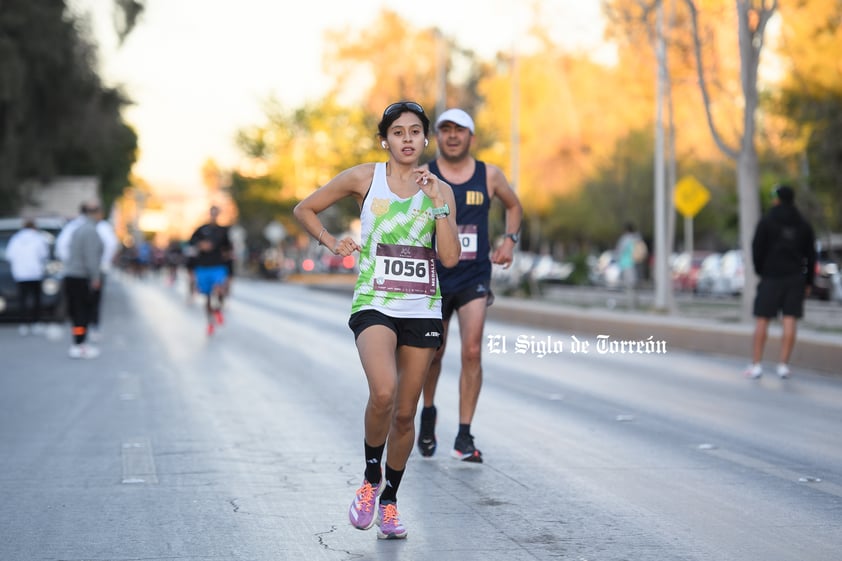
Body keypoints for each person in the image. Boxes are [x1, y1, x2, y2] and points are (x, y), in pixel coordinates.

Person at [293, 101, 460, 540]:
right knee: (383, 392)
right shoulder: (365, 178)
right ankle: (370, 480)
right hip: (375, 303)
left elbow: (449, 257)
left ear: (426, 140)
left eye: (415, 132)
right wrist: (332, 242)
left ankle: (389, 501)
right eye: (398, 132)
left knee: (405, 414)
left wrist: (439, 205)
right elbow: (304, 209)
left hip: (422, 307)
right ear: (385, 139)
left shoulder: (439, 189)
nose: (407, 139)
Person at [416, 108, 522, 463]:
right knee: (434, 352)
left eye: (459, 130)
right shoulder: (424, 173)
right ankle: (427, 413)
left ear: (470, 136)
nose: (451, 136)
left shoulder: (488, 174)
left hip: (474, 274)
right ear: (438, 137)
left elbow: (514, 205)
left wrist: (509, 240)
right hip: (434, 274)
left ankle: (463, 435)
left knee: (472, 351)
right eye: (445, 129)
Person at [744, 184, 816, 379]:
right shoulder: (803, 224)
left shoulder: (767, 221)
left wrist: (761, 271)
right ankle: (783, 365)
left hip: (771, 277)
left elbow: (756, 248)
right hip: (795, 278)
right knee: (790, 319)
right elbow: (811, 255)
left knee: (762, 319)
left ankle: (756, 364)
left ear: (778, 198)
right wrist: (809, 281)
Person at [63, 204, 104, 359]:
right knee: (82, 313)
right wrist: (96, 278)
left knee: (76, 313)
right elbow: (91, 257)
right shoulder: (90, 231)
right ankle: (79, 345)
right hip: (82, 277)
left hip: (72, 276)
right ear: (96, 213)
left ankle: (78, 343)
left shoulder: (78, 228)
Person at [188, 206, 232, 335]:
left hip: (217, 266)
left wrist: (227, 257)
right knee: (207, 298)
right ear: (209, 214)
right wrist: (200, 245)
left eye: (216, 213)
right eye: (212, 213)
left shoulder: (222, 231)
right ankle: (210, 322)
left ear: (218, 214)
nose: (214, 215)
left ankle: (218, 309)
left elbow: (228, 248)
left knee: (219, 290)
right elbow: (191, 244)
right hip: (202, 267)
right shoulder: (201, 229)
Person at [5, 218, 50, 335]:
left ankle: (24, 323)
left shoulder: (16, 239)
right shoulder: (38, 238)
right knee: (36, 299)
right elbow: (44, 254)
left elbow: (9, 255)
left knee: (23, 300)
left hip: (20, 273)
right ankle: (36, 322)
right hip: (35, 272)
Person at [88, 206, 120, 341]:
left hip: (84, 270)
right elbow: (112, 245)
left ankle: (85, 328)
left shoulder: (79, 225)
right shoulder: (102, 228)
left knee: (85, 300)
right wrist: (105, 263)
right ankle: (92, 327)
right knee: (94, 300)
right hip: (97, 270)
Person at [615, 222, 644, 309]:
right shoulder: (637, 238)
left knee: (629, 286)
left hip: (627, 264)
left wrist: (617, 260)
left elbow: (619, 251)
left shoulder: (625, 239)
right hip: (637, 264)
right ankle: (635, 303)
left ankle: (631, 305)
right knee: (634, 286)